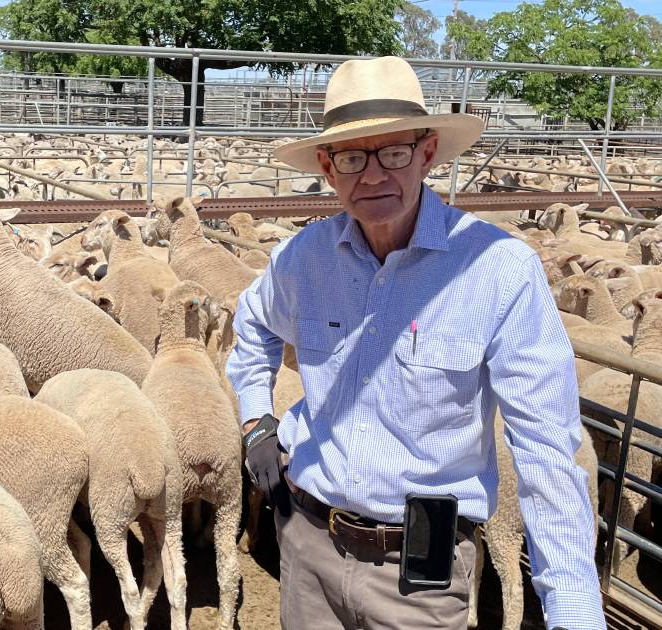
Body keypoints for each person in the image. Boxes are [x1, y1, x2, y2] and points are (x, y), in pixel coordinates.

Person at [226, 56, 603, 630]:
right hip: (306, 547)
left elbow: (547, 453)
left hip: (420, 572)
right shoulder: (304, 260)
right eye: (353, 157)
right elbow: (251, 324)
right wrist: (257, 418)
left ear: (427, 153)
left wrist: (574, 614)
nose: (373, 175)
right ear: (328, 167)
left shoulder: (498, 271)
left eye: (394, 153)